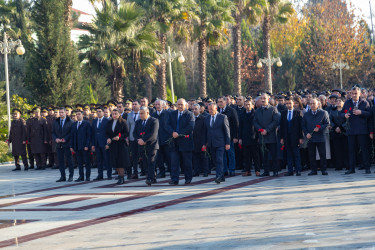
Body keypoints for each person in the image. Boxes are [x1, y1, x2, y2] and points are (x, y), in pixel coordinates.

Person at [343, 86, 372, 174]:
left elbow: (370, 114)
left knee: (364, 149)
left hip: (362, 130)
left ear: (359, 94)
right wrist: (344, 115)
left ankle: (367, 167)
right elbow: (341, 113)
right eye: (352, 93)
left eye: (356, 93)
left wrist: (361, 112)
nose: (354, 95)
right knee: (351, 150)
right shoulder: (347, 102)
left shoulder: (364, 102)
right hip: (351, 130)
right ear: (350, 94)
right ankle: (351, 168)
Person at [167, 98, 195, 185]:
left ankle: (188, 178)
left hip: (186, 142)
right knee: (174, 162)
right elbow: (167, 125)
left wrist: (178, 133)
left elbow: (190, 127)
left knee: (187, 162)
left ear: (185, 105)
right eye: (178, 104)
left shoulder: (190, 115)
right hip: (174, 142)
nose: (179, 106)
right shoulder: (172, 114)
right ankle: (174, 179)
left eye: (181, 104)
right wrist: (172, 132)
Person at [203, 102, 230, 184]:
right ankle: (221, 176)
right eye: (209, 109)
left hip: (220, 143)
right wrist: (204, 143)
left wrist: (227, 143)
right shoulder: (207, 118)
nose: (210, 111)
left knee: (219, 159)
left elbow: (227, 131)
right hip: (211, 143)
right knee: (215, 160)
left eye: (211, 109)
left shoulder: (222, 117)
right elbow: (205, 132)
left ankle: (218, 176)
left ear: (216, 109)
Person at [254, 93, 280, 177]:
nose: (262, 100)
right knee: (264, 155)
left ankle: (275, 171)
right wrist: (260, 130)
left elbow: (275, 121)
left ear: (268, 99)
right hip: (262, 136)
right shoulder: (257, 110)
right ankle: (266, 171)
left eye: (264, 98)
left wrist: (267, 130)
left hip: (271, 136)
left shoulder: (273, 109)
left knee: (273, 155)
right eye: (261, 98)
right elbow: (255, 122)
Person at [302, 98, 330, 176]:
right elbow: (303, 125)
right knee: (311, 154)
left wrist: (320, 128)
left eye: (314, 103)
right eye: (310, 104)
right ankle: (313, 170)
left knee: (322, 154)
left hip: (320, 136)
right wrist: (306, 133)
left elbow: (327, 123)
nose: (312, 105)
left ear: (318, 104)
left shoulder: (323, 113)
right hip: (310, 137)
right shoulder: (307, 114)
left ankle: (323, 169)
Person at [134, 107, 159, 185]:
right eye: (139, 113)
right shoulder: (138, 122)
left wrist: (144, 140)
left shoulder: (154, 121)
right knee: (145, 162)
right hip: (142, 145)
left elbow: (153, 134)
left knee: (151, 161)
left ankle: (150, 178)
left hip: (152, 145)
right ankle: (153, 177)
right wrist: (139, 140)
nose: (140, 115)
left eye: (142, 113)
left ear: (147, 113)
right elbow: (135, 133)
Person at [280, 98, 303, 176]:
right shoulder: (283, 113)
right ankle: (290, 170)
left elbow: (300, 126)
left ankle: (298, 170)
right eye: (287, 103)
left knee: (296, 154)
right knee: (289, 154)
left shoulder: (298, 112)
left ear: (293, 103)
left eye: (290, 103)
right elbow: (282, 126)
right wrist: (282, 137)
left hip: (295, 137)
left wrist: (300, 137)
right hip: (286, 136)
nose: (288, 105)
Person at [106, 108, 130, 185]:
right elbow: (107, 132)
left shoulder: (123, 122)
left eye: (116, 114)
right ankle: (119, 176)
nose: (114, 115)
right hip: (113, 145)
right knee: (115, 161)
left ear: (119, 114)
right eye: (113, 114)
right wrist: (108, 138)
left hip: (121, 144)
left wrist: (119, 137)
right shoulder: (109, 122)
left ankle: (122, 177)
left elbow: (126, 133)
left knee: (121, 161)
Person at [217, 96, 239, 176]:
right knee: (222, 154)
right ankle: (224, 169)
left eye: (221, 101)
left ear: (225, 102)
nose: (220, 103)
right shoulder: (217, 111)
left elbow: (236, 124)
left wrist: (235, 136)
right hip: (220, 136)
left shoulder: (231, 110)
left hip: (230, 136)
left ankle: (232, 169)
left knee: (231, 153)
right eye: (218, 102)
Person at [52, 107, 75, 182]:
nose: (61, 114)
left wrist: (65, 139)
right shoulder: (56, 121)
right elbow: (53, 132)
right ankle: (63, 176)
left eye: (62, 112)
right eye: (60, 112)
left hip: (67, 144)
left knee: (69, 160)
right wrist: (56, 139)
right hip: (59, 144)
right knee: (60, 160)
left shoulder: (70, 121)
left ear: (66, 113)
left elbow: (71, 133)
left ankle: (71, 176)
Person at [239, 99, 260, 176]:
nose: (247, 106)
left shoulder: (255, 114)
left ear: (252, 105)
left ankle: (257, 170)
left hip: (254, 137)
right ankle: (248, 170)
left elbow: (258, 126)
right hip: (245, 137)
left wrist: (258, 137)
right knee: (246, 155)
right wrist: (240, 138)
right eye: (246, 105)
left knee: (255, 155)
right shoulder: (242, 114)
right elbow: (240, 127)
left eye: (249, 104)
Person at [70, 110, 92, 182]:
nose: (78, 115)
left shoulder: (86, 124)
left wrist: (87, 145)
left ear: (82, 115)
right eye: (77, 114)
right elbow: (72, 136)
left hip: (85, 147)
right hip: (77, 146)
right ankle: (81, 176)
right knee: (79, 163)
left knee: (87, 162)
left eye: (79, 114)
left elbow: (89, 136)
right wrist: (71, 146)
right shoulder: (74, 124)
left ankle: (87, 176)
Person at [151, 99, 171, 178]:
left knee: (169, 156)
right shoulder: (153, 115)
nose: (157, 106)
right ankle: (162, 172)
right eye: (156, 104)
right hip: (157, 139)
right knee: (159, 157)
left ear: (163, 105)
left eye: (159, 104)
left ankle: (172, 171)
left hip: (166, 138)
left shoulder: (168, 114)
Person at [91, 106, 111, 180]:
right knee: (99, 160)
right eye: (97, 112)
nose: (98, 113)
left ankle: (109, 175)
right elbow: (93, 133)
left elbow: (109, 133)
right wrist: (93, 144)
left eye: (100, 111)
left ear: (103, 112)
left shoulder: (107, 121)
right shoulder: (95, 121)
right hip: (97, 143)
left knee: (107, 159)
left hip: (105, 143)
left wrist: (108, 144)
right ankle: (100, 175)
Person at [329, 97, 348, 171]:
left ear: (343, 102)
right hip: (335, 132)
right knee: (337, 150)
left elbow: (347, 120)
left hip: (344, 132)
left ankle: (347, 164)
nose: (338, 102)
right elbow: (330, 121)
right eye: (337, 101)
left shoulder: (346, 111)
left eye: (340, 101)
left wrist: (341, 127)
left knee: (346, 149)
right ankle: (338, 165)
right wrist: (335, 127)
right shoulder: (332, 111)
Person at [192, 103, 209, 177]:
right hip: (193, 141)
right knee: (195, 157)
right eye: (192, 109)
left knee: (204, 157)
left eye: (196, 109)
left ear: (199, 110)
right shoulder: (191, 118)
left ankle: (206, 171)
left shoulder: (203, 118)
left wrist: (205, 142)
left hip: (202, 140)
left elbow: (206, 131)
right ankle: (196, 171)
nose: (194, 111)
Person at [126, 100, 141, 179]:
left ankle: (145, 171)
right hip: (132, 138)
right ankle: (135, 172)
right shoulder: (129, 115)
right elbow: (128, 127)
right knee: (134, 156)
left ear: (139, 105)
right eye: (133, 104)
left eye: (135, 104)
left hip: (141, 137)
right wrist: (127, 137)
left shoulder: (142, 113)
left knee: (143, 155)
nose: (134, 106)